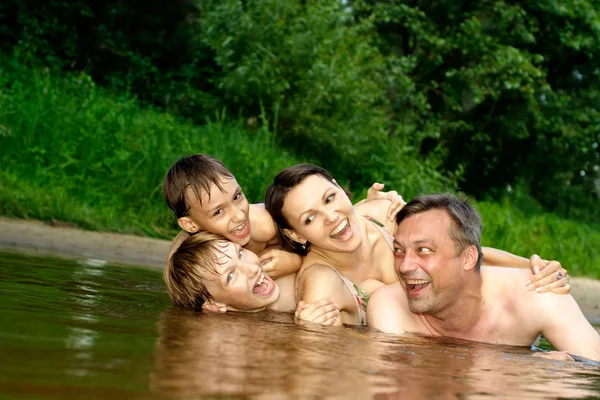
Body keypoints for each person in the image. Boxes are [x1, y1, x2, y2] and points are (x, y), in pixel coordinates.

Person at [264, 164, 571, 326]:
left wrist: (538, 267)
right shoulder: (320, 279)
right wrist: (310, 328)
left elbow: (465, 255)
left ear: (340, 189)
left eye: (330, 198)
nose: (332, 217)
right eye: (309, 219)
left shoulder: (381, 215)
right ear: (296, 236)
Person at [367, 193, 600, 362]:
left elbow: (591, 369)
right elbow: (401, 384)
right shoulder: (388, 305)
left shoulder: (537, 294)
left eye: (424, 250)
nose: (405, 266)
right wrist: (529, 371)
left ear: (468, 258)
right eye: (399, 251)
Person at [162, 154, 404, 280]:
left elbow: (312, 227)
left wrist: (293, 262)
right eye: (218, 212)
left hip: (315, 258)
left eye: (237, 197)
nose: (237, 216)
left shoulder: (264, 225)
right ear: (190, 224)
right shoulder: (191, 252)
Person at [165, 231, 347, 324]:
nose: (251, 268)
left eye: (241, 253)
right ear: (213, 305)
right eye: (231, 276)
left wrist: (295, 260)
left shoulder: (288, 270)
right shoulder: (231, 334)